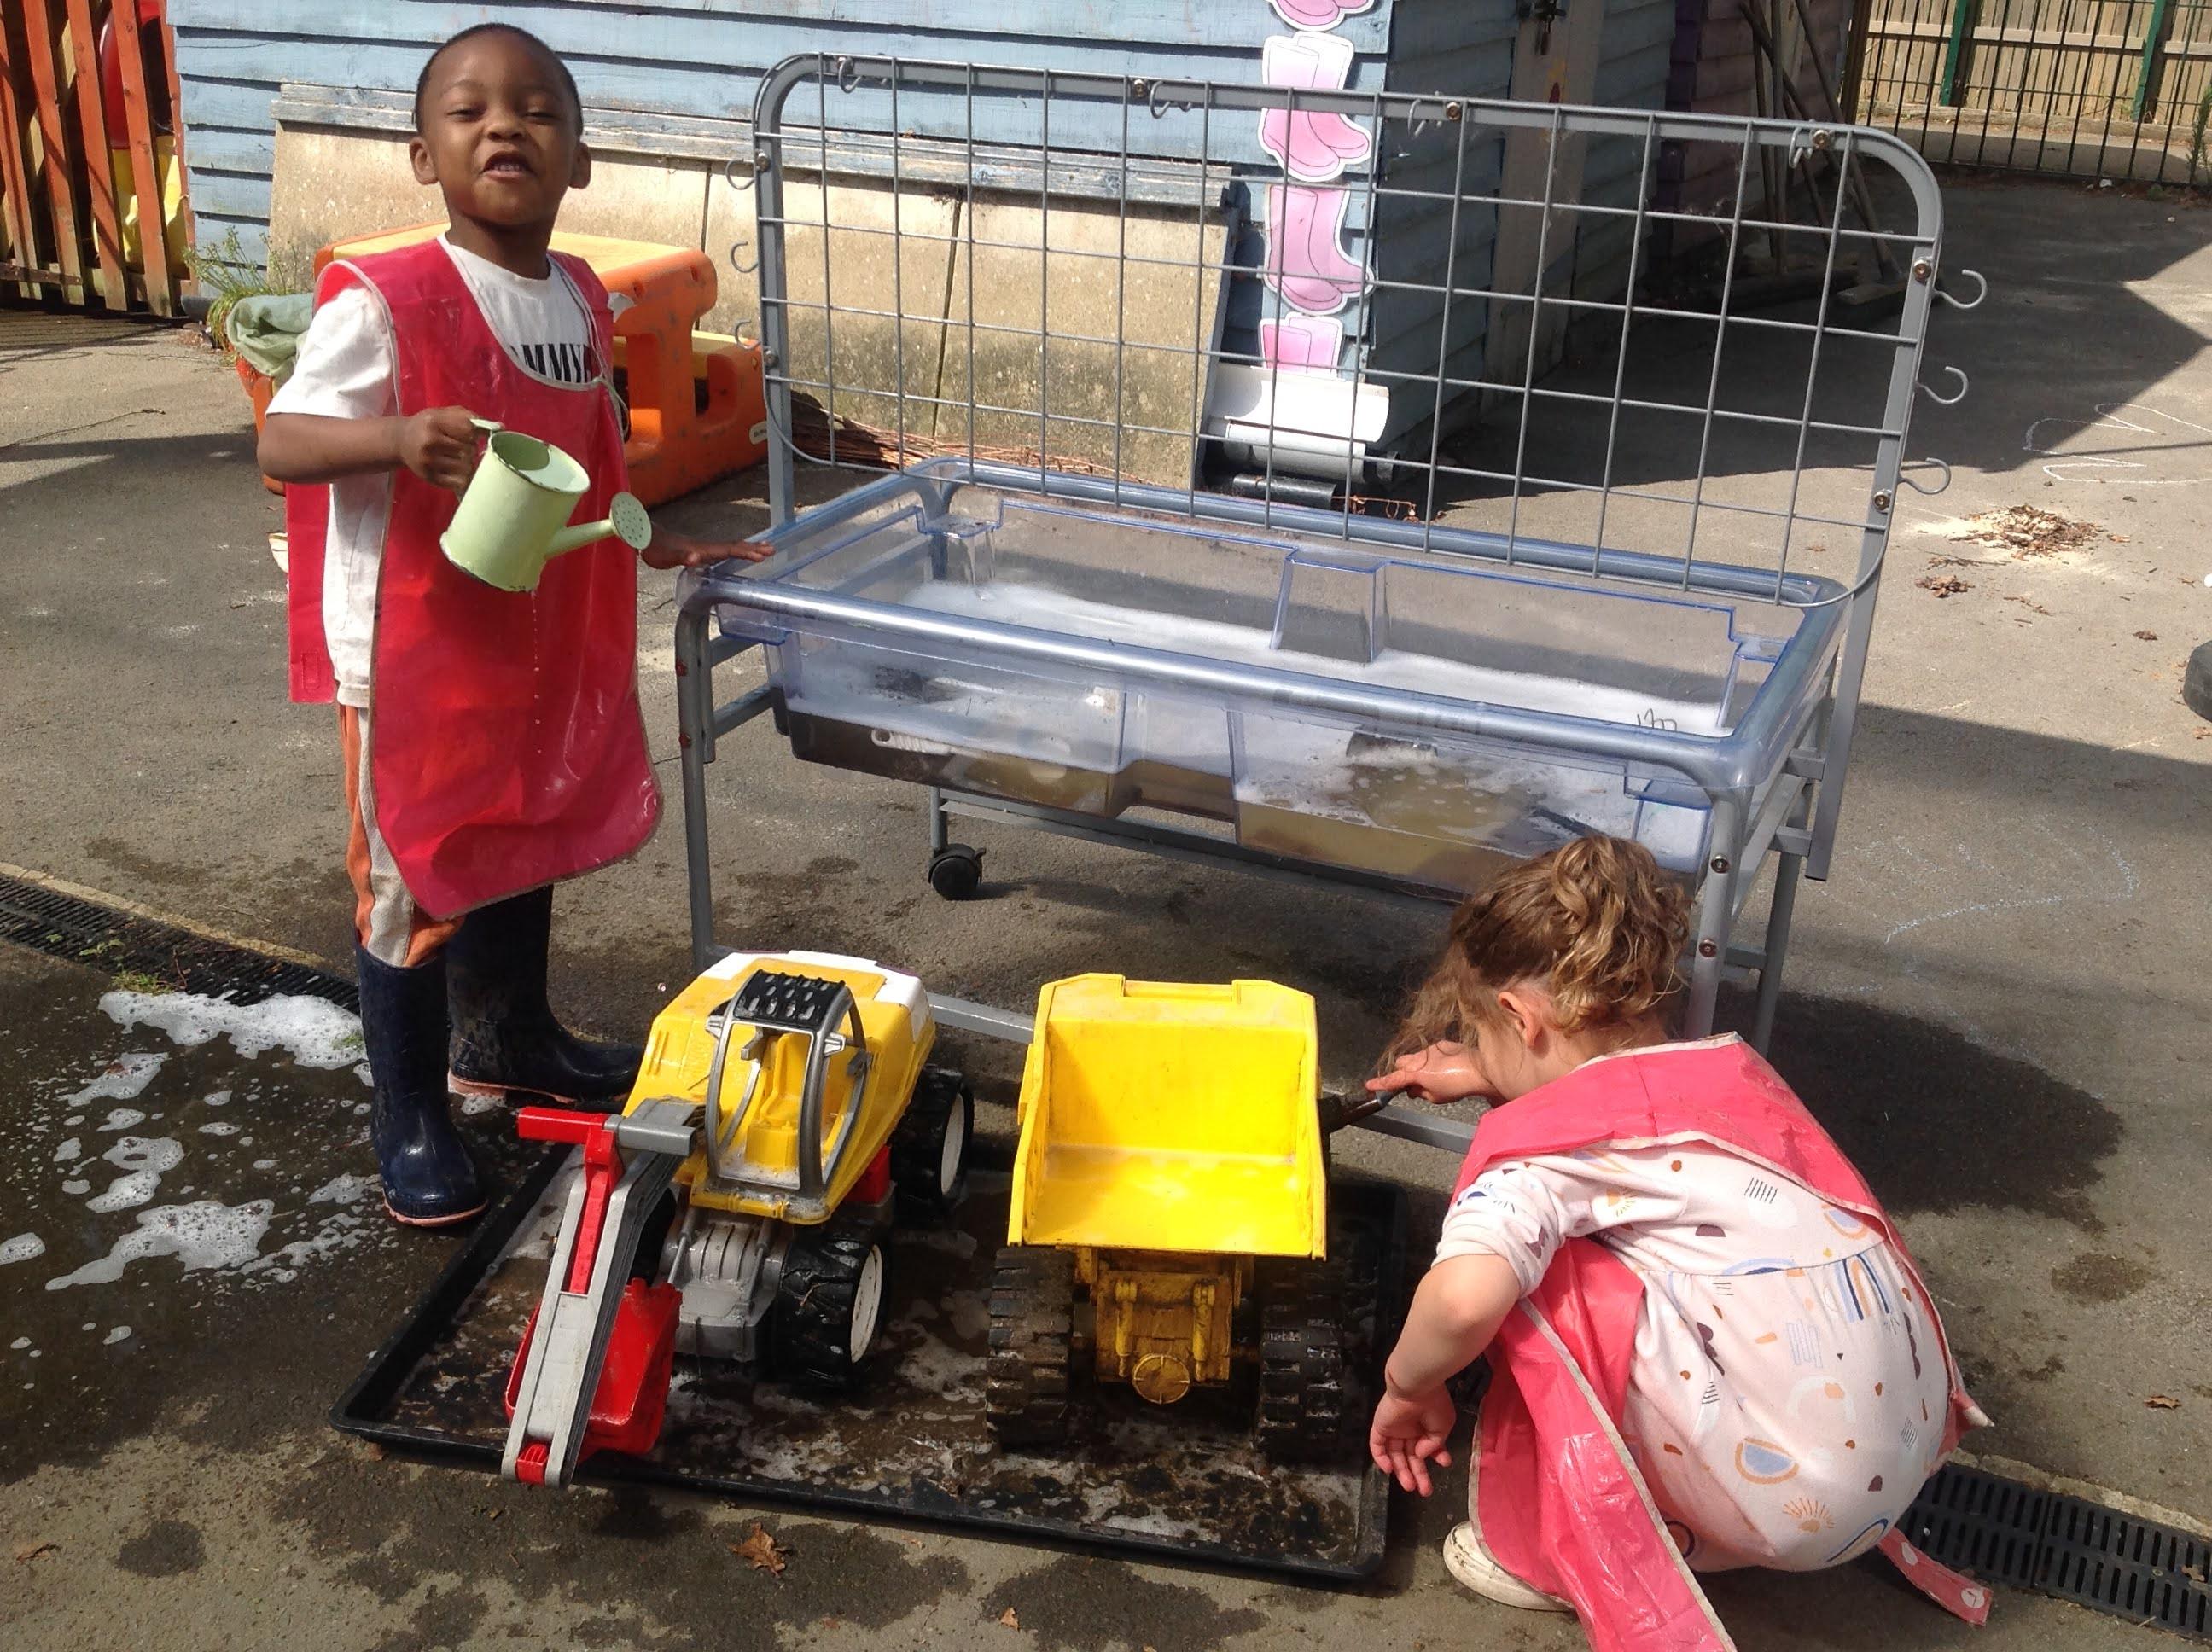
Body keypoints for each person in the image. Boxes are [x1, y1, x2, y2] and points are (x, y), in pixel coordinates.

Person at [259, 23, 766, 1228]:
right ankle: (410, 1113)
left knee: (520, 828)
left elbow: (589, 456)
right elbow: (280, 442)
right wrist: (392, 437)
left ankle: (510, 1038)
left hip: (527, 638)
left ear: (578, 160)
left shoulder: (579, 296)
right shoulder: (386, 299)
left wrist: (650, 536)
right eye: (470, 110)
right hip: (412, 651)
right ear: (423, 155)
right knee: (415, 872)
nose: (504, 127)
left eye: (537, 110)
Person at [1365, 837, 1992, 1649]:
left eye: (1480, 1036)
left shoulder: (1541, 1167)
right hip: (1896, 1459)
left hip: (1790, 1505)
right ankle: (1715, 1519)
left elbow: (1460, 1301)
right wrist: (1496, 1071)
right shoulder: (1723, 1080)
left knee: (1534, 1274)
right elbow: (1592, 1097)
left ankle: (1552, 1555)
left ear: (1520, 1018)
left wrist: (1409, 1385)